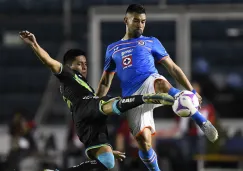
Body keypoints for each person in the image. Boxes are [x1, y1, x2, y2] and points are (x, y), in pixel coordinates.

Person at [19, 30, 174, 171]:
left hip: (83, 121)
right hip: (85, 106)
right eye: (79, 64)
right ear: (69, 66)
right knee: (108, 104)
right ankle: (147, 97)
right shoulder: (68, 75)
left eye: (85, 64)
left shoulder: (80, 84)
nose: (84, 67)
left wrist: (111, 151)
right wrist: (34, 45)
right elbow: (50, 62)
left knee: (108, 161)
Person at [96, 4, 218, 171]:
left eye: (143, 21)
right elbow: (105, 82)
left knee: (160, 83)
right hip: (132, 98)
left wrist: (192, 90)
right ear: (126, 20)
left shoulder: (151, 42)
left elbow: (173, 68)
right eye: (136, 21)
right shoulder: (112, 49)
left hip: (150, 82)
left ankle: (200, 120)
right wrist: (95, 105)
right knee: (144, 143)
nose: (140, 25)